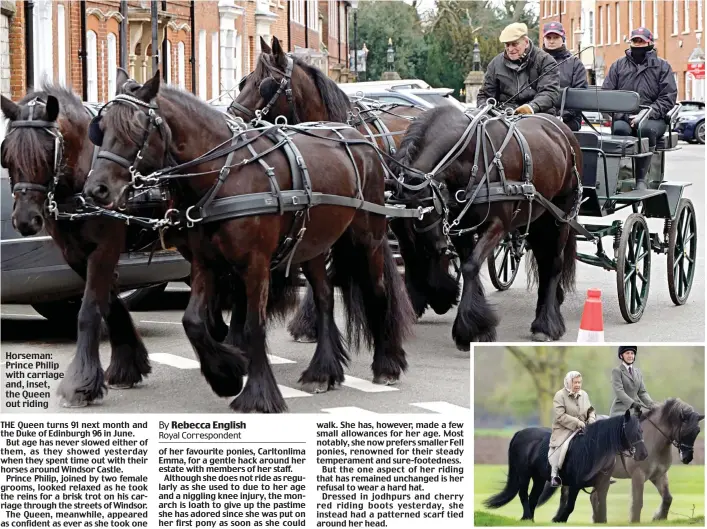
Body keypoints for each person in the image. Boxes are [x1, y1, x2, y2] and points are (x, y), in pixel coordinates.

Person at [602, 27, 677, 148]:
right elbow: (606, 94)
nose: (637, 44)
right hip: (624, 116)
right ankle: (622, 166)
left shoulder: (663, 66)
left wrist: (645, 114)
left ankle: (644, 167)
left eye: (641, 41)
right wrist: (624, 115)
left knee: (646, 132)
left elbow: (668, 97)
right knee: (620, 131)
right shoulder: (618, 65)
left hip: (653, 117)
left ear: (650, 43)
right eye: (635, 41)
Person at [477, 22, 560, 115]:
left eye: (515, 44)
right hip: (504, 115)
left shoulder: (545, 60)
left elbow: (550, 92)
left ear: (526, 42)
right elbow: (485, 95)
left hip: (538, 114)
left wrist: (531, 107)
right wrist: (486, 109)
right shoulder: (495, 64)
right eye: (507, 45)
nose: (510, 49)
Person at [549, 370, 596, 487]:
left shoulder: (584, 394)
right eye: (575, 382)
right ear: (568, 382)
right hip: (564, 429)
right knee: (562, 447)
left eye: (579, 382)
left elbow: (590, 409)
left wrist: (591, 418)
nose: (578, 385)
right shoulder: (559, 395)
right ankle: (554, 475)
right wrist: (577, 422)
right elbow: (560, 416)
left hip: (584, 428)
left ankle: (600, 474)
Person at [542, 21, 588, 131]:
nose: (551, 41)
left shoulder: (575, 64)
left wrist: (563, 115)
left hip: (569, 119)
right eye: (548, 37)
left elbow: (580, 95)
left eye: (556, 37)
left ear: (563, 39)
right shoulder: (535, 62)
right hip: (541, 115)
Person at [610, 346, 656, 416]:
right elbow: (619, 391)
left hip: (636, 411)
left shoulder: (638, 372)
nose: (630, 356)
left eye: (632, 353)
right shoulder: (617, 371)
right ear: (621, 355)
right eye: (627, 353)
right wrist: (632, 403)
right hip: (621, 411)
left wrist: (652, 405)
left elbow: (642, 392)